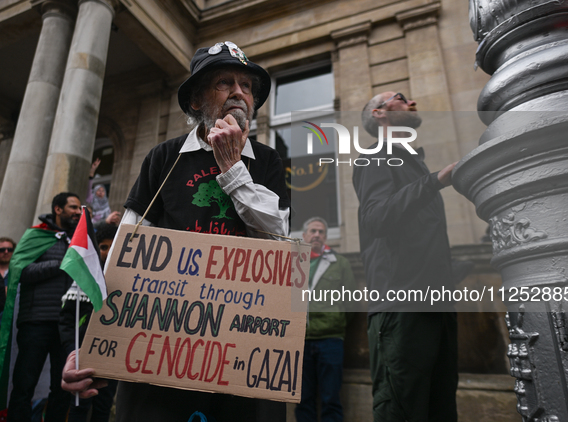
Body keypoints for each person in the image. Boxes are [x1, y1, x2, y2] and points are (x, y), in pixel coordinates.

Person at [62, 41, 289, 422]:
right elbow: (127, 250)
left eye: (247, 86)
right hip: (165, 342)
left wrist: (233, 168)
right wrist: (96, 341)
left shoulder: (266, 161)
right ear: (197, 101)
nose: (239, 92)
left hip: (242, 341)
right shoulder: (164, 158)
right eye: (225, 83)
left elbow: (279, 239)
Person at [352, 92, 458, 422]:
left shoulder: (412, 161)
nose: (411, 101)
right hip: (401, 308)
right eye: (401, 98)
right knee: (402, 410)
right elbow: (376, 218)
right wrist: (435, 180)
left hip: (437, 304)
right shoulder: (374, 158)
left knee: (440, 409)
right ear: (380, 113)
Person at [6, 192, 81, 422]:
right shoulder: (36, 235)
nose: (78, 212)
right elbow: (21, 272)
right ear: (58, 209)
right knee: (24, 386)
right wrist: (60, 264)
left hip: (66, 326)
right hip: (36, 323)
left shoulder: (80, 241)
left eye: (80, 208)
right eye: (73, 207)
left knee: (62, 389)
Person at [295, 217, 355, 422]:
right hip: (300, 341)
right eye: (312, 231)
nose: (316, 235)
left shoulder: (340, 264)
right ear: (304, 236)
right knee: (303, 399)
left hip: (331, 340)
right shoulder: (295, 264)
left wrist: (336, 322)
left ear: (326, 237)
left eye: (321, 232)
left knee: (331, 400)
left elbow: (351, 302)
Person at [59, 224, 118, 422]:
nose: (108, 252)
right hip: (83, 355)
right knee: (79, 406)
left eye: (114, 246)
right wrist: (73, 350)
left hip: (113, 357)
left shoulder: (127, 280)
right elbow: (67, 320)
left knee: (103, 407)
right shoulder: (84, 279)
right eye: (103, 247)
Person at [0, 237, 16, 321]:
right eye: (2, 250)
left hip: (10, 320)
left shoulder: (18, 272)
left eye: (9, 249)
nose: (6, 252)